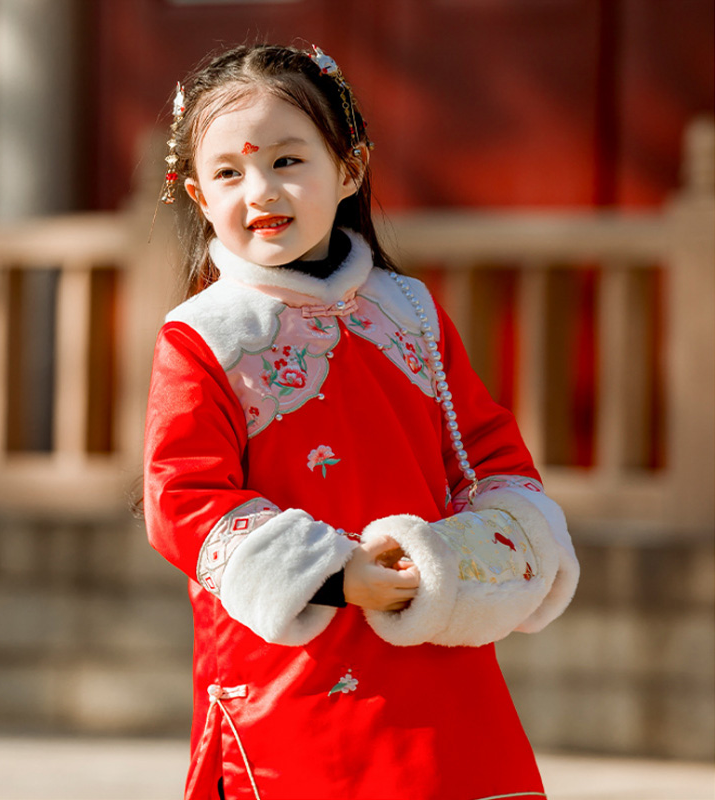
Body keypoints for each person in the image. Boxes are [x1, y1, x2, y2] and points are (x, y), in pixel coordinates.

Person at [143, 42, 579, 800]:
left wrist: (486, 549)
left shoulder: (407, 310)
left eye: (287, 161)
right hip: (296, 667)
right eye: (228, 173)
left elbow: (482, 450)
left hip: (433, 633)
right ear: (196, 195)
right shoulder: (203, 337)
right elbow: (182, 498)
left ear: (350, 169)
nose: (261, 191)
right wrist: (336, 574)